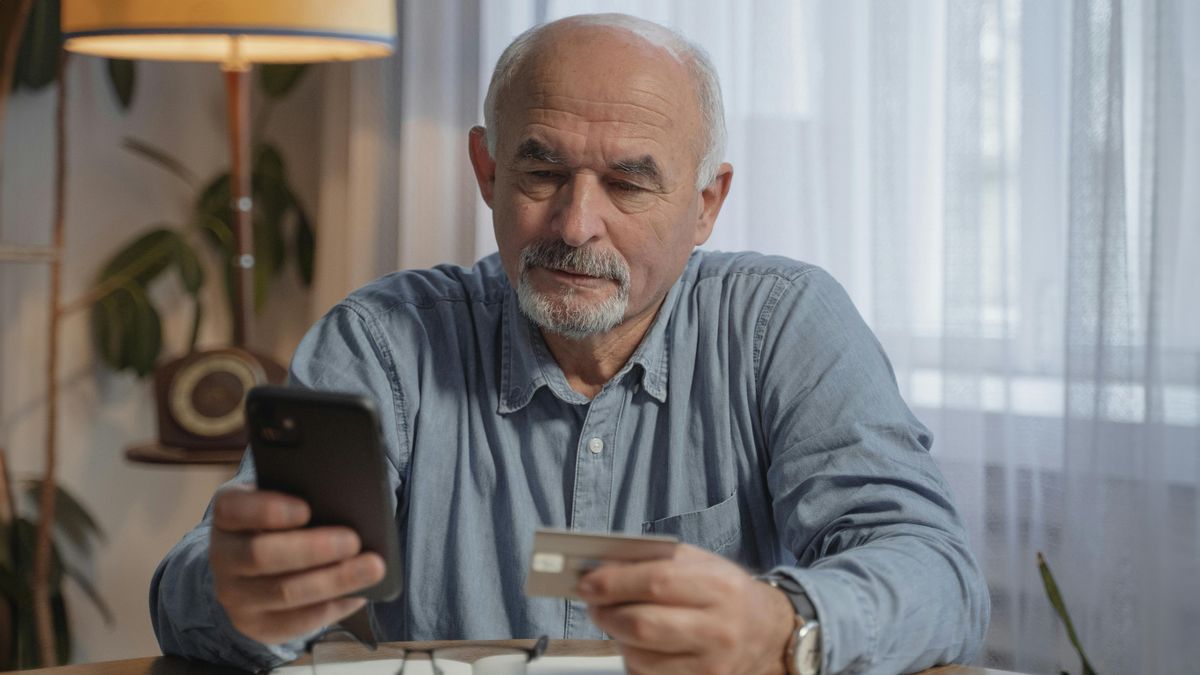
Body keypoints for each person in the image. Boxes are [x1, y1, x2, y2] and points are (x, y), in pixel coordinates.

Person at [151, 13, 989, 675]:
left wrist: (785, 624)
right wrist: (240, 593)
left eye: (629, 181)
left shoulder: (781, 323)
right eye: (541, 171)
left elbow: (937, 571)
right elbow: (186, 585)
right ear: (486, 170)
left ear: (706, 204)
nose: (576, 224)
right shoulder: (384, 342)